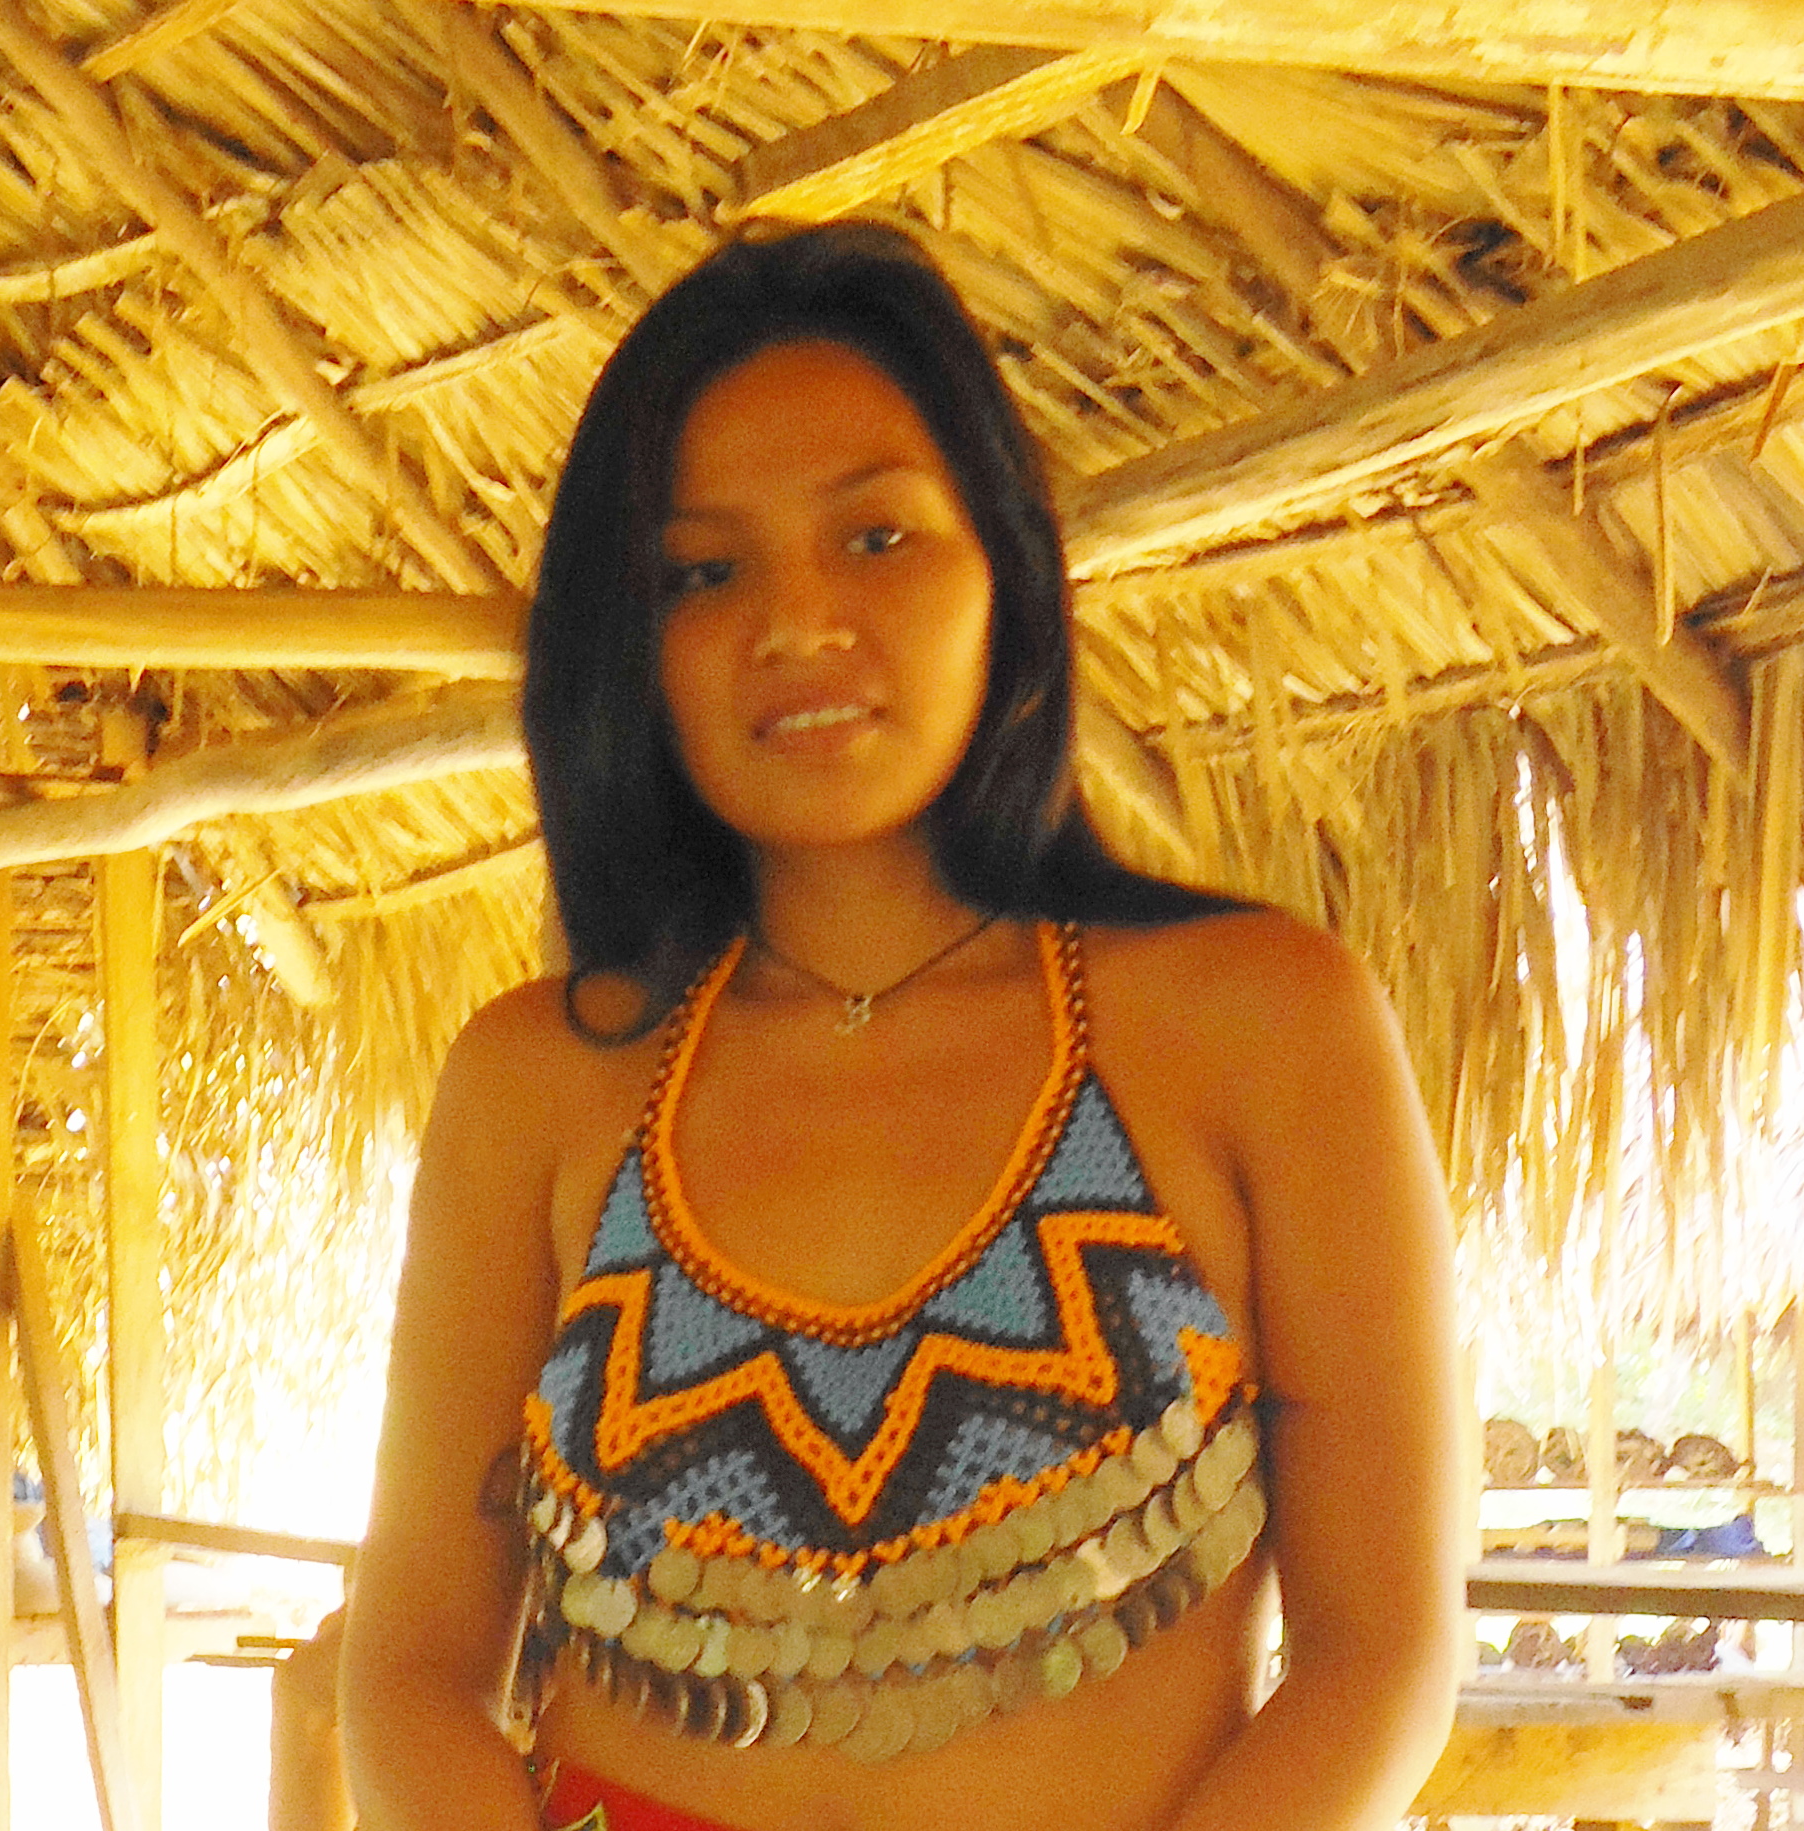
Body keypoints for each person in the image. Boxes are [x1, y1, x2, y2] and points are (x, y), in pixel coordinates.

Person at [341, 223, 1463, 1831]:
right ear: (627, 642)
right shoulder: (540, 1081)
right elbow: (411, 1672)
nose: (798, 623)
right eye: (702, 572)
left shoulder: (1264, 1026)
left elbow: (1382, 1657)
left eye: (875, 537)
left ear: (1003, 561)